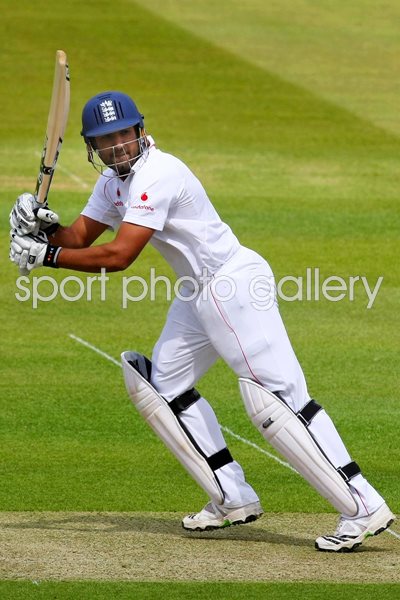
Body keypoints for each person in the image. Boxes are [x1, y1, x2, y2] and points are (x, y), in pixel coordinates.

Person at [9, 91, 395, 552]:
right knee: (159, 387)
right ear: (93, 147)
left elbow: (120, 255)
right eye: (105, 140)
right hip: (197, 292)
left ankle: (362, 504)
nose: (117, 146)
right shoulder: (114, 183)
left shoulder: (159, 173)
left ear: (139, 130)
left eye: (122, 134)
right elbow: (79, 236)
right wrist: (45, 226)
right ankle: (231, 496)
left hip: (231, 285)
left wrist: (48, 256)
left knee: (276, 400)